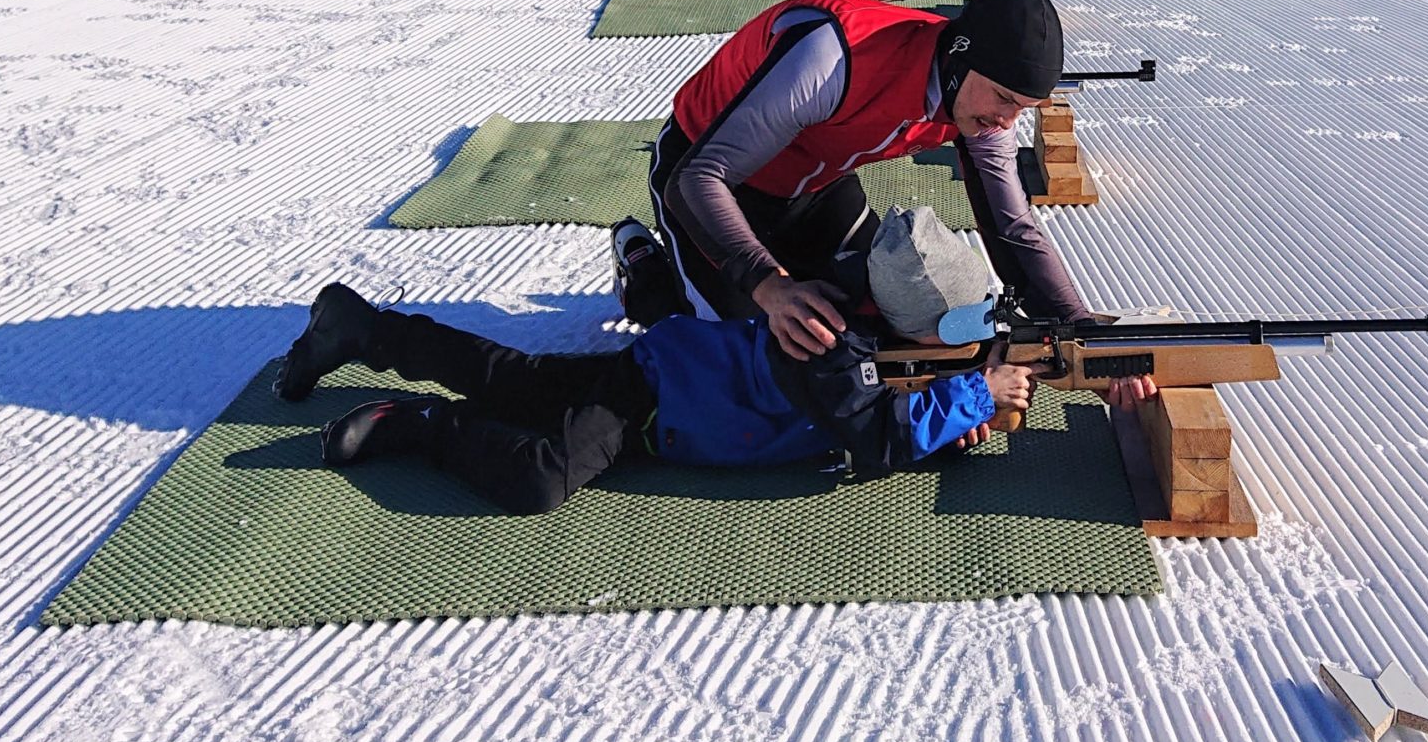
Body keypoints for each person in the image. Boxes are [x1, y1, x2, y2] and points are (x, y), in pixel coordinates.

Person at [271, 205, 1147, 515]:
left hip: (676, 375)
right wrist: (975, 396)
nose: (973, 339)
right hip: (652, 405)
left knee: (510, 376)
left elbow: (1002, 359)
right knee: (539, 474)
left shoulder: (884, 326)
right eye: (960, 326)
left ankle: (364, 331)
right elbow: (877, 436)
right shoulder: (827, 342)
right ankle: (418, 424)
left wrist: (1112, 374)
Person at [645, 0, 1092, 363]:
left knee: (899, 322)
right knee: (742, 357)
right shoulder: (833, 57)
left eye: (1024, 109)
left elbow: (1010, 223)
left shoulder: (980, 102)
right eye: (1004, 99)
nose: (1007, 122)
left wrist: (1077, 327)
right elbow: (697, 180)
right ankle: (647, 276)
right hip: (707, 178)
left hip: (814, 186)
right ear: (959, 60)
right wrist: (768, 286)